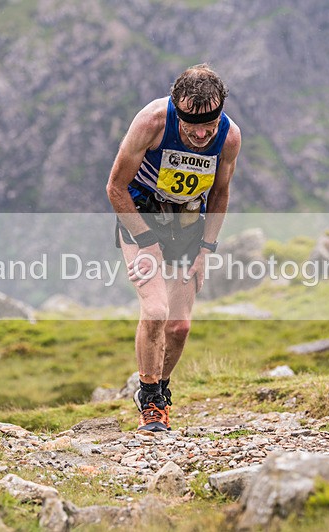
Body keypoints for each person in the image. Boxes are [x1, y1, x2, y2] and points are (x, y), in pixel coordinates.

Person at [106, 64, 241, 432]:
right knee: (156, 310)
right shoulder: (151, 122)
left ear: (220, 111)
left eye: (209, 123)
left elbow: (220, 192)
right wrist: (147, 244)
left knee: (179, 326)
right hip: (141, 217)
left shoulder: (228, 138)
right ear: (176, 110)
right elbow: (115, 187)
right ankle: (150, 405)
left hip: (186, 224)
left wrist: (206, 250)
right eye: (190, 123)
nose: (200, 133)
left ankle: (158, 388)